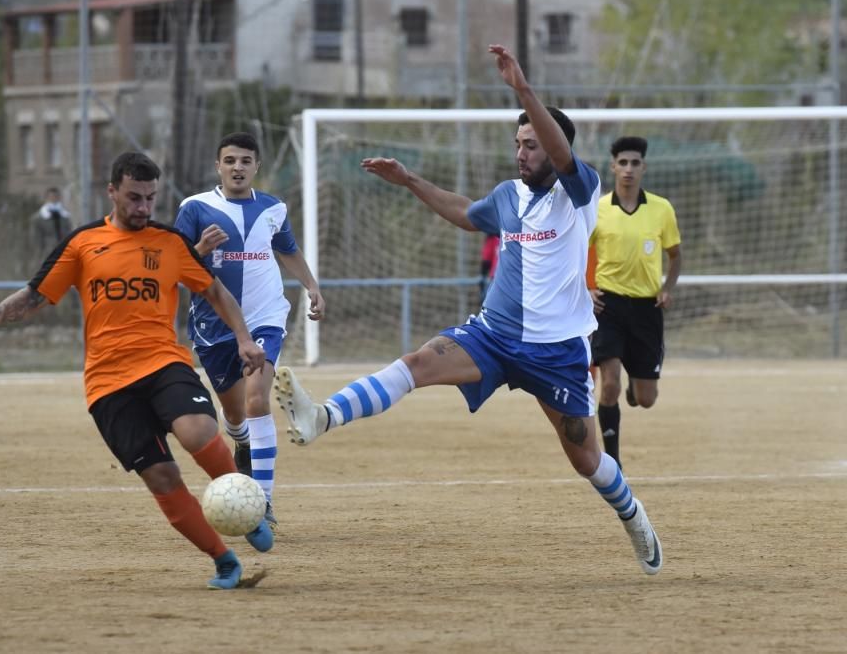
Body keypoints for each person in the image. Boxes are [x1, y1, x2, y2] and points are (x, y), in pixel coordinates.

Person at [274, 44, 663, 576]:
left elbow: (560, 149)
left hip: (556, 352)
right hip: (492, 336)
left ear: (555, 148)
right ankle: (322, 416)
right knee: (416, 363)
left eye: (531, 144)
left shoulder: (580, 191)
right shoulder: (508, 196)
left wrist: (522, 90)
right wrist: (411, 181)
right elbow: (465, 212)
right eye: (517, 143)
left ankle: (633, 514)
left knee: (585, 457)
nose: (521, 152)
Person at [0, 152, 271, 590]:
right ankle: (223, 560)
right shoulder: (82, 243)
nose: (143, 208)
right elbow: (37, 294)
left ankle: (246, 511)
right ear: (112, 191)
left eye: (150, 199)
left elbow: (215, 291)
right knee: (162, 476)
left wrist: (245, 338)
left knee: (197, 432)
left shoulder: (169, 243)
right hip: (108, 384)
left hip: (163, 362)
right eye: (134, 197)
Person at [175, 131, 325, 528]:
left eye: (245, 160)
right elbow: (175, 266)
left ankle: (263, 503)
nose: (237, 168)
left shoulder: (274, 208)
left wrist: (312, 286)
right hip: (213, 326)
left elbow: (288, 250)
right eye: (230, 161)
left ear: (257, 166)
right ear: (218, 166)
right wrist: (200, 252)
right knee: (235, 414)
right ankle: (242, 442)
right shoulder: (194, 208)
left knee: (259, 399)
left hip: (265, 319)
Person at [589, 136, 682, 470]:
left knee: (647, 400)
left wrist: (667, 287)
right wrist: (586, 290)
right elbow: (574, 253)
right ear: (613, 166)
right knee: (608, 383)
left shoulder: (661, 209)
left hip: (647, 309)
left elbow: (675, 256)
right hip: (609, 306)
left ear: (644, 167)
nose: (629, 169)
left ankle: (636, 388)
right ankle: (612, 461)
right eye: (623, 162)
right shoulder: (597, 209)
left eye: (635, 163)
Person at [34, 186, 73, 253]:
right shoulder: (39, 217)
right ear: (46, 198)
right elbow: (37, 238)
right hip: (47, 251)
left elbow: (69, 232)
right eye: (51, 196)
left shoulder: (65, 215)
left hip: (63, 249)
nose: (53, 198)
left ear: (59, 198)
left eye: (55, 196)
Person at [478, 233, 500, 304]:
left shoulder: (493, 234)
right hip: (513, 278)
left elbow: (486, 260)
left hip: (496, 278)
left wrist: (482, 277)